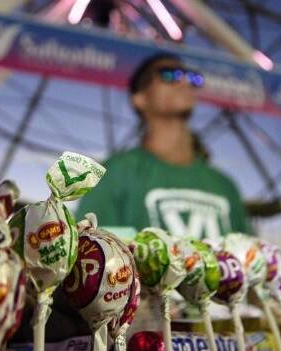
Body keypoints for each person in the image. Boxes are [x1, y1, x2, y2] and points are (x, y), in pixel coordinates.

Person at [75, 53, 251, 239]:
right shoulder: (115, 174)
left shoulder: (225, 186)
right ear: (140, 98)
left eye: (193, 78)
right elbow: (93, 254)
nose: (184, 82)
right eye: (169, 75)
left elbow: (250, 259)